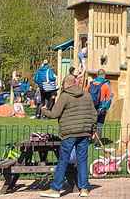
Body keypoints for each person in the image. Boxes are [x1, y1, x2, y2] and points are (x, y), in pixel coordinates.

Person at [40, 67, 97, 198]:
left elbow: (54, 114)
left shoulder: (65, 96)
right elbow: (94, 114)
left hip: (69, 133)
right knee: (82, 160)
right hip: (84, 132)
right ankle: (84, 189)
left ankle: (56, 189)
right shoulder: (87, 95)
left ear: (66, 84)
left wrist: (44, 110)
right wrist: (93, 129)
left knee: (63, 160)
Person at [88, 69, 113, 137]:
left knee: (90, 123)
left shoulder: (91, 83)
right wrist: (105, 108)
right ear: (104, 75)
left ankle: (89, 139)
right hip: (101, 108)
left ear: (97, 75)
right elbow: (109, 98)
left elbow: (86, 95)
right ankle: (97, 143)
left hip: (91, 107)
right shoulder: (106, 84)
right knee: (99, 124)